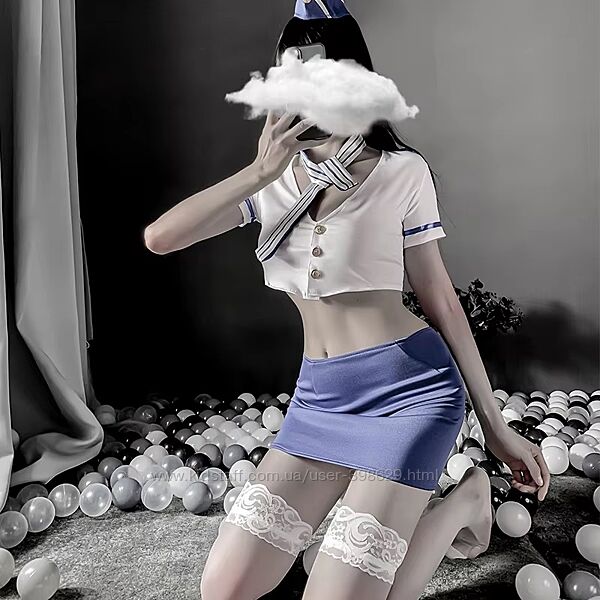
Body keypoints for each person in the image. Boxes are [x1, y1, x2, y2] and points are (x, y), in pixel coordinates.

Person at [144, 2, 550, 599]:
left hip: (410, 396)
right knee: (223, 591)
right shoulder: (274, 180)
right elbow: (160, 238)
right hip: (320, 401)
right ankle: (448, 505)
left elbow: (439, 299)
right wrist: (258, 172)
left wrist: (494, 425)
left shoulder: (402, 173)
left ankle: (463, 502)